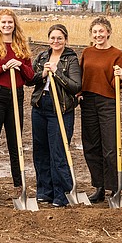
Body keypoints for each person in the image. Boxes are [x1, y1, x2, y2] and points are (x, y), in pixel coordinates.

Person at [0, 9, 35, 204]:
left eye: (10, 22)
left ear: (14, 24)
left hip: (16, 96)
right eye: (3, 22)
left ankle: (19, 187)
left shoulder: (21, 47)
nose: (7, 26)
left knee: (15, 143)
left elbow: (30, 78)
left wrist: (19, 64)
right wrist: (2, 68)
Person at [30, 24, 81, 207]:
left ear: (65, 39)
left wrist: (57, 72)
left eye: (59, 38)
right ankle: (45, 191)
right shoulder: (42, 56)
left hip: (61, 108)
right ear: (48, 39)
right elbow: (30, 79)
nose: (56, 41)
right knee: (41, 151)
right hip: (40, 106)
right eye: (52, 38)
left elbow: (75, 86)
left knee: (58, 152)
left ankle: (62, 193)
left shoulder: (71, 59)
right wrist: (43, 73)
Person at [79, 16, 122, 203]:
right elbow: (81, 75)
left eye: (101, 31)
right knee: (91, 146)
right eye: (95, 32)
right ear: (91, 34)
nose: (98, 35)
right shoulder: (87, 52)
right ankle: (99, 187)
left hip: (108, 101)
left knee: (110, 147)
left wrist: (120, 76)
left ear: (108, 32)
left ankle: (115, 188)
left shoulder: (117, 54)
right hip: (88, 101)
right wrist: (79, 92)